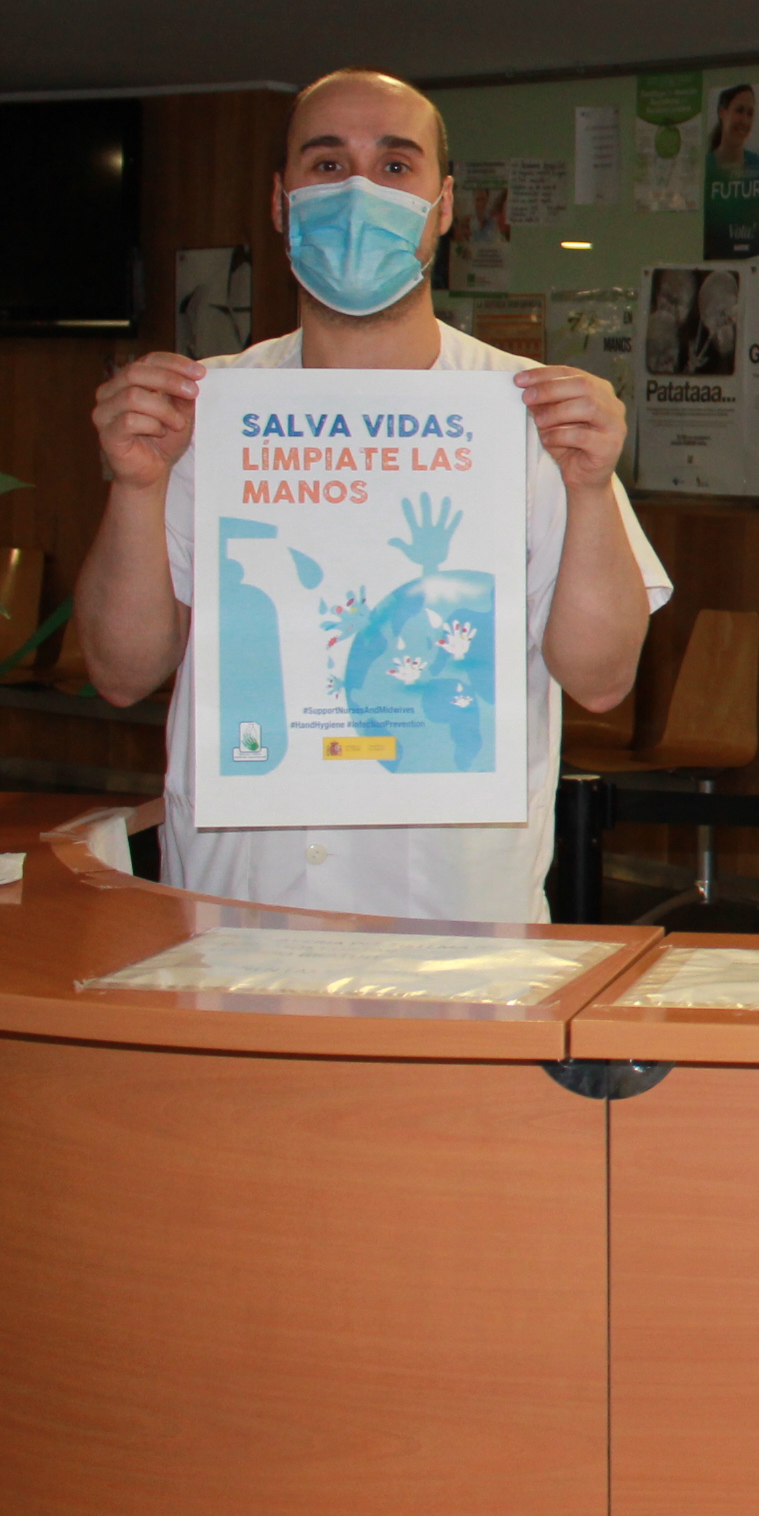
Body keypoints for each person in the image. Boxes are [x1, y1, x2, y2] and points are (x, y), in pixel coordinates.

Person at [77, 68, 672, 920]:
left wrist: (587, 489)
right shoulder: (202, 414)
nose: (359, 193)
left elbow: (602, 680)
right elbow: (122, 673)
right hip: (232, 912)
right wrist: (138, 487)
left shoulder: (531, 416)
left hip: (457, 925)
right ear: (280, 201)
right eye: (327, 165)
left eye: (396, 166)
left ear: (443, 206)